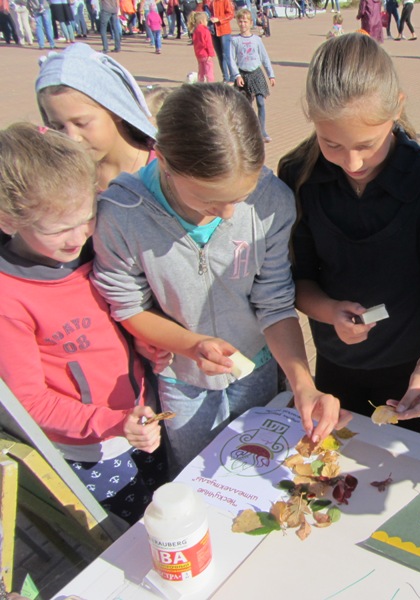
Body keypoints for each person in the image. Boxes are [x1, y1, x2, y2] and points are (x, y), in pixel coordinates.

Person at [92, 83, 346, 472]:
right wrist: (192, 346)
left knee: (266, 473)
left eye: (239, 198)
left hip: (258, 367)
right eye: (210, 200)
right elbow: (127, 306)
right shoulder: (123, 213)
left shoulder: (271, 200)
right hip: (182, 382)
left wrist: (303, 385)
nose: (228, 214)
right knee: (196, 477)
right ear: (163, 161)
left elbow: (274, 301)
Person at [277, 34, 420, 435]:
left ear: (397, 109)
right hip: (333, 367)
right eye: (331, 143)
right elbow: (295, 282)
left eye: (367, 145)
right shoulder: (298, 176)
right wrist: (329, 311)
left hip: (412, 373)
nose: (352, 163)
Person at [0, 123, 167, 525]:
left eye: (87, 218)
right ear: (8, 221)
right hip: (91, 451)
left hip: (142, 421)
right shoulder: (9, 296)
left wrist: (142, 341)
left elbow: (114, 320)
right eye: (59, 229)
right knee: (134, 538)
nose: (79, 236)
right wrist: (112, 424)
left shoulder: (94, 246)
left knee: (168, 512)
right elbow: (30, 403)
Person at [36, 43, 156, 193]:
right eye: (58, 127)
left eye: (81, 123)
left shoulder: (168, 171)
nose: (72, 138)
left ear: (117, 110)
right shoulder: (62, 179)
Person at [231, 8, 275, 142]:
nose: (243, 24)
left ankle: (262, 130)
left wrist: (271, 75)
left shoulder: (256, 40)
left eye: (245, 21)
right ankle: (248, 130)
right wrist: (237, 75)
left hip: (256, 73)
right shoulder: (235, 40)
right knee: (246, 104)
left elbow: (264, 57)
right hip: (243, 75)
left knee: (261, 102)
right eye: (240, 21)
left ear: (251, 23)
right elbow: (231, 60)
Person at [209, 0, 235, 82]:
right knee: (220, 56)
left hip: (224, 30)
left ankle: (233, 76)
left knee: (227, 55)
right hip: (214, 31)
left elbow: (230, 14)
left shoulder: (225, 1)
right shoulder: (212, 2)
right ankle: (225, 77)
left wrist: (219, 19)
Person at [191, 10, 215, 81]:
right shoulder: (205, 30)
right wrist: (210, 54)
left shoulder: (195, 31)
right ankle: (211, 85)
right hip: (206, 54)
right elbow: (208, 43)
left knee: (201, 72)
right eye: (206, 21)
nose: (207, 22)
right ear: (201, 21)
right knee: (209, 71)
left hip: (199, 54)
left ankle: (200, 84)